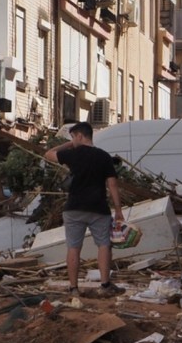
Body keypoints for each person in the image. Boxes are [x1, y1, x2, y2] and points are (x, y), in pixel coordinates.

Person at [44, 121, 125, 297]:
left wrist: (69, 144)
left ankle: (74, 289)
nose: (72, 141)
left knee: (73, 247)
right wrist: (118, 210)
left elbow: (49, 154)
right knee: (104, 245)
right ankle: (105, 285)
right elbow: (112, 184)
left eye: (73, 137)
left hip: (74, 208)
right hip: (98, 208)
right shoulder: (104, 157)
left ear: (80, 136)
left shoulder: (72, 155)